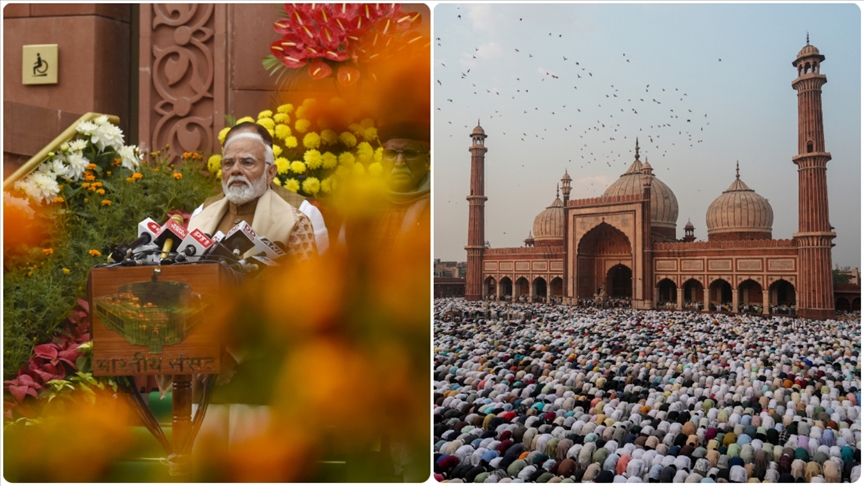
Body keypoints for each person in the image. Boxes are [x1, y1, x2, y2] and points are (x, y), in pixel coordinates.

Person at [190, 122, 330, 255]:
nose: (235, 170)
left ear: (270, 173)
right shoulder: (202, 215)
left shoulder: (298, 218)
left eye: (247, 162)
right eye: (228, 163)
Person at [341, 121, 430, 249]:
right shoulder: (364, 206)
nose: (399, 163)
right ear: (382, 159)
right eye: (391, 154)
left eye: (410, 154)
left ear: (426, 161)